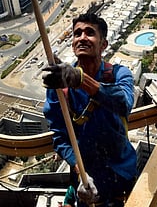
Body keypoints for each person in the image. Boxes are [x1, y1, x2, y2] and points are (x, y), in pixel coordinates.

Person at [42, 12, 137, 207]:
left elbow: (124, 103)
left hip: (121, 171)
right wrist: (79, 170)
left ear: (103, 44)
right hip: (88, 175)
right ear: (73, 44)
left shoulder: (118, 74)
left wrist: (80, 79)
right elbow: (60, 136)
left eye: (89, 33)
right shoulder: (60, 89)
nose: (82, 37)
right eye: (77, 34)